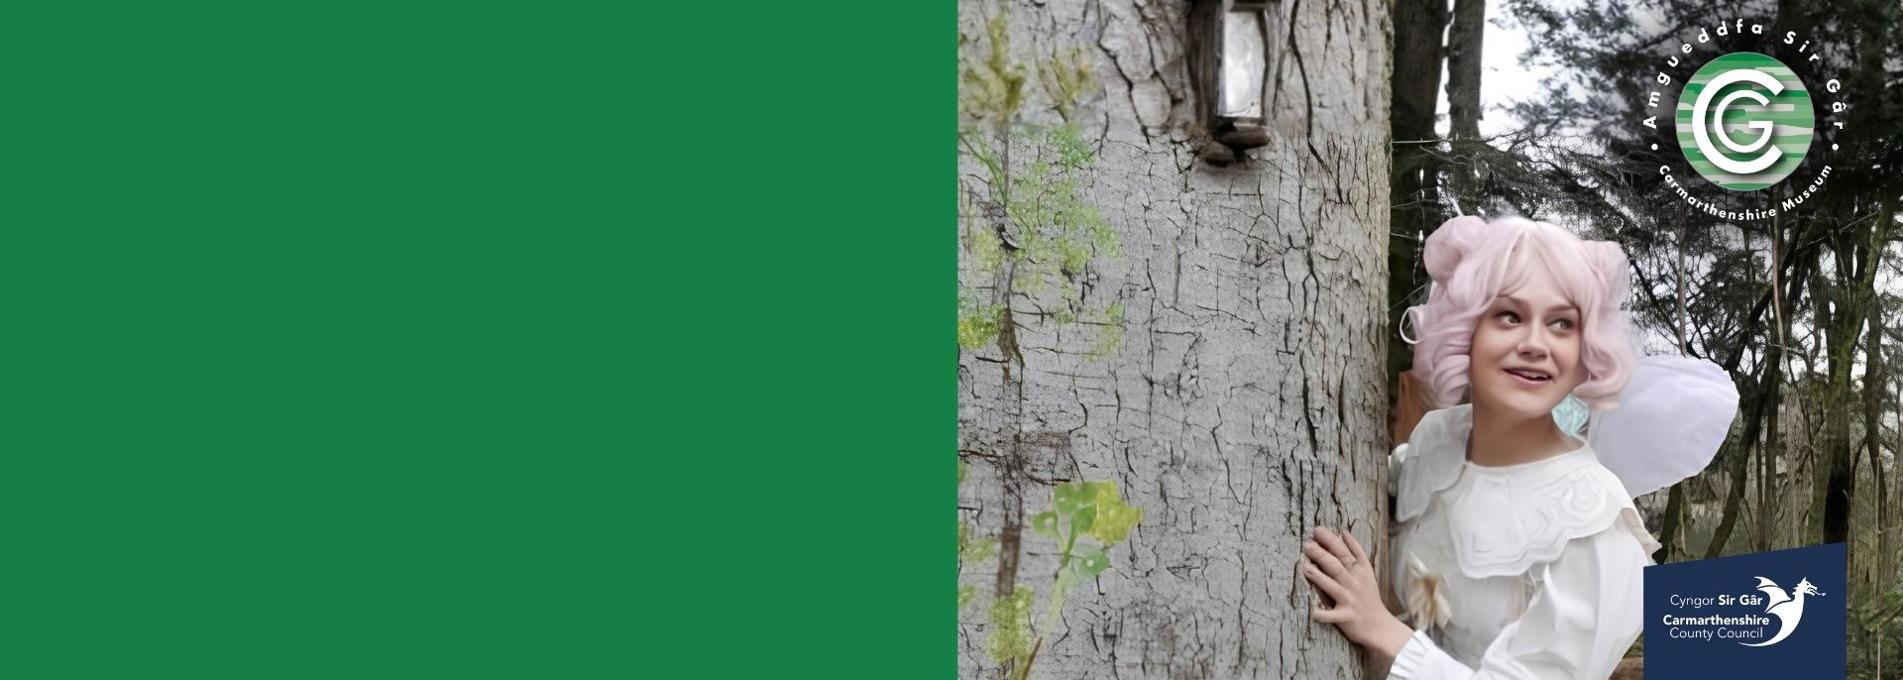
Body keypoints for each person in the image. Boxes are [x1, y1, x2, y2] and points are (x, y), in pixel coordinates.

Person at [1300, 215, 1673, 680]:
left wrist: (1382, 630)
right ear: (1465, 332)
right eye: (1510, 316)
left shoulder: (1595, 528)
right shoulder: (1435, 442)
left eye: (1562, 323)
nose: (1535, 344)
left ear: (1586, 351)